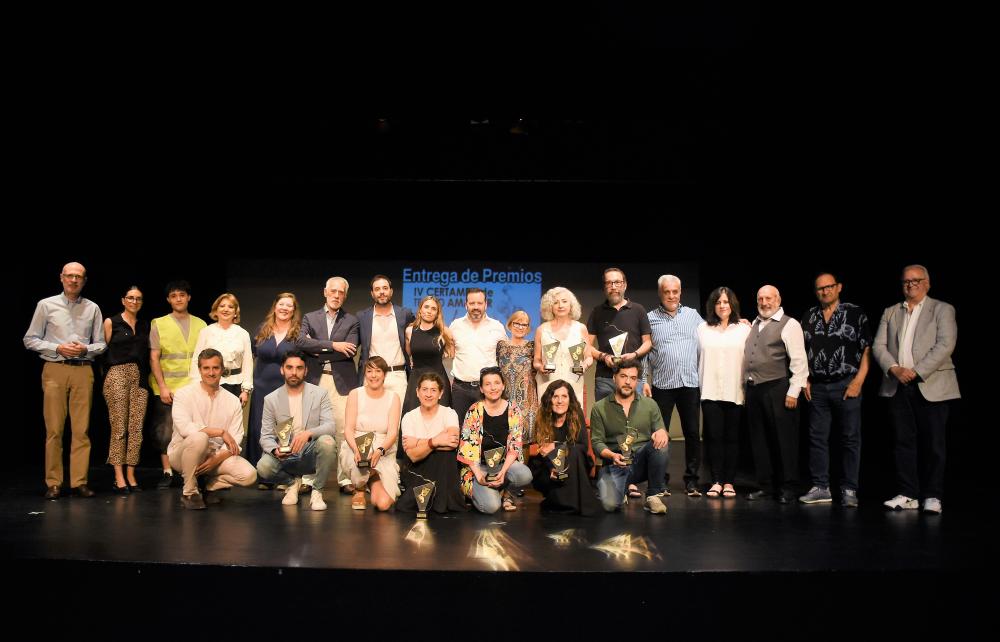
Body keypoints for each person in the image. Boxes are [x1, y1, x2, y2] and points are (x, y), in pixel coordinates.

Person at [873, 265, 959, 515]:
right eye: (906, 282)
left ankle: (933, 495)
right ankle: (908, 493)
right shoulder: (891, 311)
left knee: (934, 444)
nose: (911, 285)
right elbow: (878, 346)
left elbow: (946, 344)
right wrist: (895, 369)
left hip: (930, 384)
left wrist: (917, 371)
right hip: (897, 385)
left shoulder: (942, 309)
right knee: (903, 442)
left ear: (927, 283)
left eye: (916, 280)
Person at [24, 261, 107, 499]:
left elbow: (101, 344)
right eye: (69, 276)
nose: (73, 280)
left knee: (81, 430)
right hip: (55, 368)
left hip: (82, 370)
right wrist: (57, 347)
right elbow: (30, 339)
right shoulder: (46, 305)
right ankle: (54, 483)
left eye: (78, 276)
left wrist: (85, 349)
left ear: (84, 280)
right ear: (61, 278)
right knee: (54, 430)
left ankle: (79, 482)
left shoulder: (92, 308)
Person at [799, 273, 872, 507]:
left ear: (839, 287)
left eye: (829, 287)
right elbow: (803, 351)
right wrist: (806, 379)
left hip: (846, 384)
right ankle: (821, 487)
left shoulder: (854, 313)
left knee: (850, 438)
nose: (824, 291)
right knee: (817, 438)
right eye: (820, 288)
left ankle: (849, 489)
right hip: (818, 386)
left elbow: (867, 348)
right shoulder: (809, 316)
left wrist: (859, 379)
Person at [169, 349, 258, 509]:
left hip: (216, 456)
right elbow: (185, 429)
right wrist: (220, 432)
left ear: (222, 370)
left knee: (249, 475)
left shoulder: (232, 401)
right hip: (182, 454)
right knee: (200, 437)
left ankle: (209, 487)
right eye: (206, 368)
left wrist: (216, 459)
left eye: (215, 368)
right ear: (199, 370)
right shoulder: (183, 394)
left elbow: (236, 438)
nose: (211, 373)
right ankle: (189, 492)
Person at [743, 285, 808, 503]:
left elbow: (799, 360)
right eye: (760, 298)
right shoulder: (754, 324)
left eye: (769, 298)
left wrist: (794, 391)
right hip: (754, 389)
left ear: (778, 300)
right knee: (759, 441)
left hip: (778, 387)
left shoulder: (790, 324)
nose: (764, 302)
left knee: (784, 440)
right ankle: (766, 486)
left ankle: (789, 486)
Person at [641, 274, 704, 497]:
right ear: (660, 293)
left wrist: (737, 322)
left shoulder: (693, 315)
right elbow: (645, 353)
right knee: (660, 435)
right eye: (666, 292)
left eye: (674, 291)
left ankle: (692, 481)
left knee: (692, 433)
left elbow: (711, 334)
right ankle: (660, 481)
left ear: (680, 292)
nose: (671, 295)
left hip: (689, 383)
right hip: (662, 385)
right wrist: (643, 381)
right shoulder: (650, 318)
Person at [300, 276, 360, 495]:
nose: (336, 295)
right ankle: (309, 477)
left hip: (342, 382)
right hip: (316, 379)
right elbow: (300, 342)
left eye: (341, 292)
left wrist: (315, 347)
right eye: (333, 291)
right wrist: (334, 345)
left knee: (344, 430)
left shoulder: (352, 321)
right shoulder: (309, 317)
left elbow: (351, 349)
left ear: (345, 295)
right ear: (325, 292)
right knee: (312, 428)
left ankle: (344, 478)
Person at [255, 350, 336, 511]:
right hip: (286, 454)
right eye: (289, 367)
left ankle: (317, 491)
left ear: (305, 370)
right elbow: (265, 436)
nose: (294, 372)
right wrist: (274, 450)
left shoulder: (319, 394)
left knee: (328, 442)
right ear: (282, 369)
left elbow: (330, 426)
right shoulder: (271, 399)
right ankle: (292, 484)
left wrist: (308, 433)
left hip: (309, 452)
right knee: (263, 466)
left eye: (299, 368)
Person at [590, 360, 669, 514]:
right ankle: (621, 490)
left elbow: (661, 431)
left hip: (641, 462)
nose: (628, 382)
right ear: (614, 378)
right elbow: (596, 442)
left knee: (661, 445)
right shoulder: (599, 408)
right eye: (623, 376)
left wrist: (662, 432)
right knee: (611, 505)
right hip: (615, 463)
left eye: (633, 378)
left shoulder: (650, 405)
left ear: (637, 381)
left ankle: (652, 496)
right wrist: (612, 455)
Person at [148, 280, 206, 490]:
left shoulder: (201, 324)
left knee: (193, 431)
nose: (178, 299)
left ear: (188, 297)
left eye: (182, 295)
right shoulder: (159, 323)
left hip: (193, 388)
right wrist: (162, 386)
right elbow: (154, 357)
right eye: (173, 296)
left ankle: (190, 472)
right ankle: (167, 471)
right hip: (168, 387)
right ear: (168, 300)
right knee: (165, 431)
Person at [697, 287, 750, 499]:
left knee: (732, 439)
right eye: (718, 302)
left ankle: (729, 481)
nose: (722, 306)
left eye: (726, 302)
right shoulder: (702, 328)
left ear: (732, 305)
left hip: (734, 390)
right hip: (709, 390)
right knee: (714, 438)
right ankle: (716, 480)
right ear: (713, 306)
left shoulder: (744, 329)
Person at [457, 366, 532, 514]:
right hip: (478, 469)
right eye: (488, 384)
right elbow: (468, 448)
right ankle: (478, 492)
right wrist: (479, 476)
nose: (493, 388)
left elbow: (515, 445)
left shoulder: (513, 409)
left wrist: (503, 472)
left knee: (525, 475)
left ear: (503, 386)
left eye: (497, 383)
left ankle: (502, 489)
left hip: (502, 465)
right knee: (491, 507)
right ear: (481, 389)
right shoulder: (474, 410)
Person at [246, 292, 304, 476]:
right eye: (282, 304)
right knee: (259, 426)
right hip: (261, 385)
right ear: (275, 306)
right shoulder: (262, 329)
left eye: (289, 305)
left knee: (283, 428)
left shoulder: (299, 332)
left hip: (285, 387)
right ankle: (261, 473)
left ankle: (281, 472)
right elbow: (250, 356)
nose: (285, 308)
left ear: (294, 310)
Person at [102, 285, 150, 493]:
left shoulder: (144, 325)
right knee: (120, 427)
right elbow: (101, 351)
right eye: (130, 298)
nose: (134, 302)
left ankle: (131, 473)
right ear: (123, 300)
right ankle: (118, 476)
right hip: (117, 374)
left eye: (138, 299)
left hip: (140, 376)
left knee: (136, 428)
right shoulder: (111, 322)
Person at [397, 372, 466, 515]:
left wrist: (419, 442)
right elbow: (412, 455)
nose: (428, 394)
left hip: (443, 468)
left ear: (440, 394)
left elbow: (452, 442)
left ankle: (439, 500)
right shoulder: (409, 417)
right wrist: (435, 441)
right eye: (424, 389)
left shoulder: (449, 413)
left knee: (446, 457)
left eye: (433, 390)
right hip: (417, 467)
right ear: (417, 392)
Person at [529, 380, 601, 515]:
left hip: (575, 463)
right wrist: (552, 468)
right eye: (555, 396)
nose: (559, 401)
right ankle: (556, 500)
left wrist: (555, 446)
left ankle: (571, 503)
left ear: (570, 399)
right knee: (538, 462)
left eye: (564, 396)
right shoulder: (543, 416)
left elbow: (583, 447)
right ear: (549, 400)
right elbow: (543, 451)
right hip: (549, 464)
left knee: (575, 451)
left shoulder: (576, 414)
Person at [341, 357, 402, 511]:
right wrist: (356, 450)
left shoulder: (393, 397)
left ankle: (372, 475)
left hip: (383, 449)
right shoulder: (355, 394)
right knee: (359, 462)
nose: (373, 375)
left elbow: (393, 432)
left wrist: (380, 450)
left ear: (384, 374)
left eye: (378, 371)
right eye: (369, 371)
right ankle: (359, 489)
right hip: (357, 444)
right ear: (365, 374)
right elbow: (348, 428)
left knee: (383, 504)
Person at [587, 267, 652, 402]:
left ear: (625, 285)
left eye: (617, 282)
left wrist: (634, 355)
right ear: (604, 287)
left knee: (634, 422)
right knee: (605, 421)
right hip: (605, 378)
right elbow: (587, 346)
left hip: (632, 377)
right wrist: (603, 356)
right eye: (609, 283)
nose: (613, 286)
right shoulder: (597, 312)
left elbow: (648, 342)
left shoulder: (638, 310)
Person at [356, 275, 415, 407]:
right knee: (371, 421)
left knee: (397, 422)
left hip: (397, 376)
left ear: (391, 291)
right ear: (372, 294)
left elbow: (423, 327)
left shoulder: (404, 314)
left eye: (385, 288)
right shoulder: (362, 317)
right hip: (372, 376)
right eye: (377, 289)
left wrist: (444, 330)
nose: (381, 292)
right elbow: (353, 343)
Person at [533, 287, 594, 416]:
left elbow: (589, 357)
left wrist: (584, 365)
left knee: (573, 423)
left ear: (571, 305)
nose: (560, 305)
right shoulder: (541, 330)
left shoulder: (580, 328)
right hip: (547, 382)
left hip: (573, 382)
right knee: (547, 422)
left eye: (564, 301)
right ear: (550, 306)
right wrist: (541, 367)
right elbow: (536, 360)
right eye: (556, 302)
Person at [449, 288, 508, 418]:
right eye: (472, 303)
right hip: (460, 389)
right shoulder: (455, 325)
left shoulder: (497, 327)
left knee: (486, 431)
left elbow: (506, 356)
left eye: (479, 303)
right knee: (459, 430)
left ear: (486, 304)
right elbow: (449, 352)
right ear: (466, 305)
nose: (476, 307)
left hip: (487, 390)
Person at [188, 293, 253, 408]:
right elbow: (196, 360)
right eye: (222, 306)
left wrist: (245, 390)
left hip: (235, 385)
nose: (226, 309)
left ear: (235, 312)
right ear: (216, 310)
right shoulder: (206, 332)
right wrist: (197, 386)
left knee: (231, 422)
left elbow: (248, 363)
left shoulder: (243, 334)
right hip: (210, 383)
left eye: (230, 307)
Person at [402, 295, 454, 416]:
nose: (429, 311)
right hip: (416, 380)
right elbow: (407, 356)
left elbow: (453, 355)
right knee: (412, 418)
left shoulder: (444, 331)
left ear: (437, 313)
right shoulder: (410, 331)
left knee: (441, 420)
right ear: (420, 309)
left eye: (433, 308)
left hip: (439, 380)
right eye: (426, 307)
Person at [497, 310, 538, 442]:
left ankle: (524, 464)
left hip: (527, 399)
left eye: (524, 325)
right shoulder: (501, 346)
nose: (520, 327)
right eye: (517, 323)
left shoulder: (532, 346)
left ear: (528, 328)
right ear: (510, 325)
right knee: (505, 437)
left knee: (524, 439)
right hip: (505, 397)